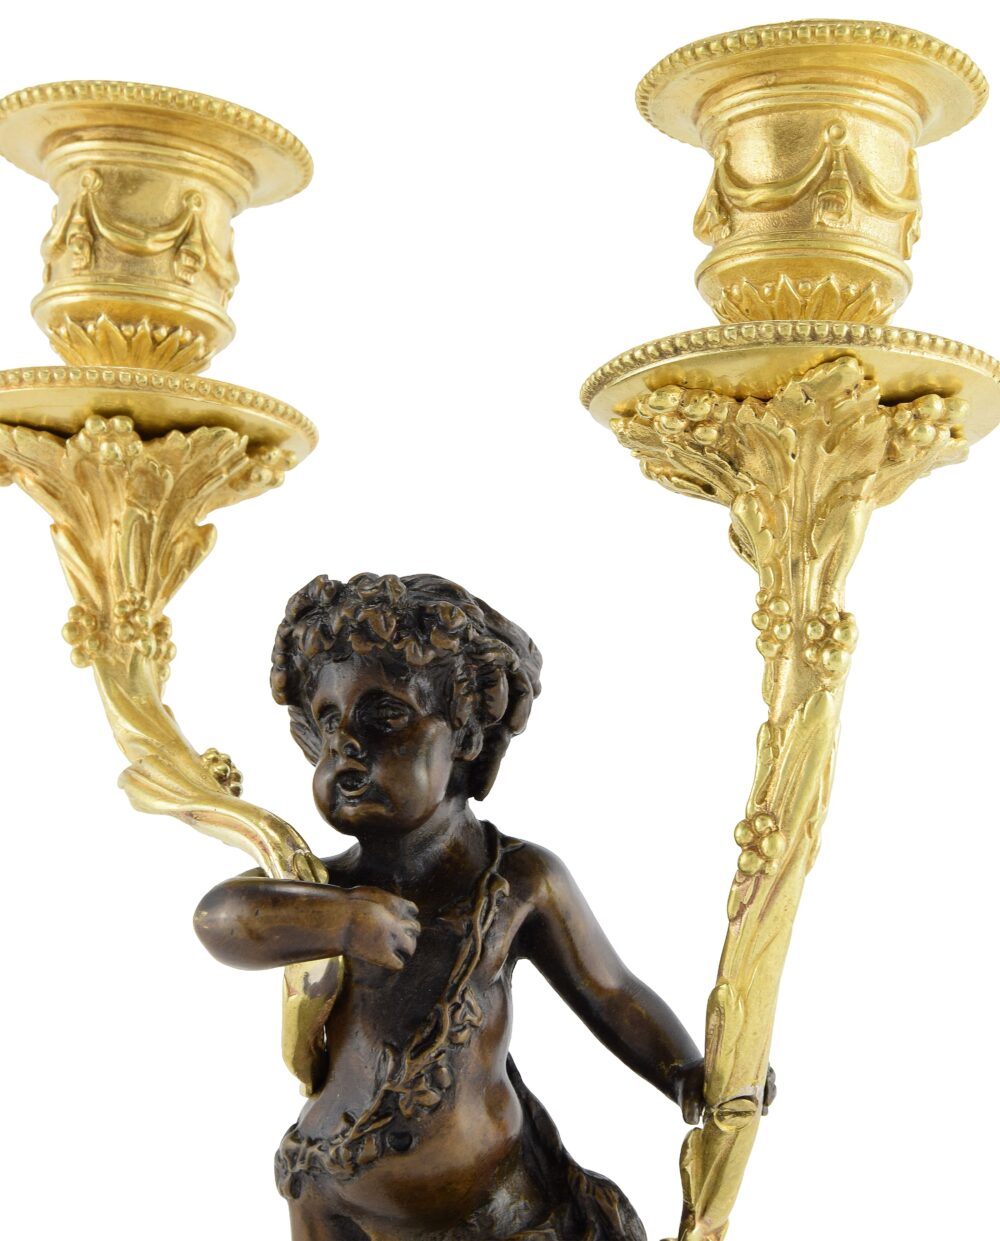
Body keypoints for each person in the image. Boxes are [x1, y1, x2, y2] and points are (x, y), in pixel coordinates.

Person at [194, 573, 706, 1241]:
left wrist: (686, 1073)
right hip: (329, 1194)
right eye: (328, 721)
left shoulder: (519, 881)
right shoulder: (324, 888)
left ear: (464, 731)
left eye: (383, 717)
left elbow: (610, 993)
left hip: (497, 1211)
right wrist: (341, 921)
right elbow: (222, 917)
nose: (345, 746)